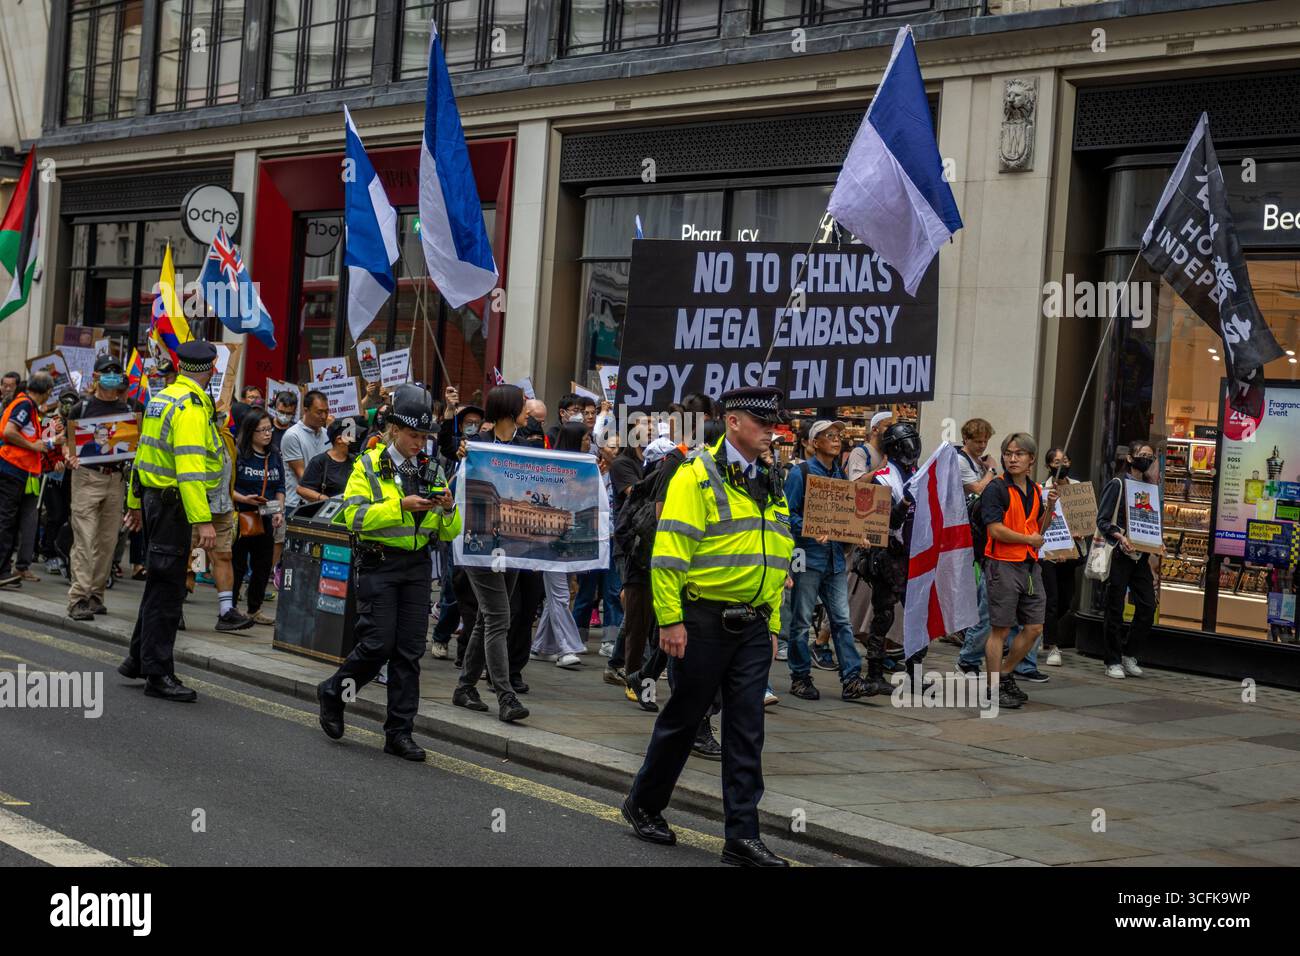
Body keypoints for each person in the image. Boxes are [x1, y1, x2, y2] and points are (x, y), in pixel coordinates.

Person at [623, 386, 794, 867]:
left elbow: (777, 554)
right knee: (683, 719)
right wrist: (671, 620)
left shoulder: (772, 479)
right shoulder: (696, 474)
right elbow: (669, 553)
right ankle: (644, 802)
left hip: (754, 625)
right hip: (702, 620)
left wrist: (774, 622)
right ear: (735, 422)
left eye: (774, 425)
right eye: (764, 424)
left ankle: (742, 836)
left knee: (747, 730)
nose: (772, 433)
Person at [316, 385, 462, 760]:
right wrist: (400, 506)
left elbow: (449, 530)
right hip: (379, 563)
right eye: (413, 435)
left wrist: (446, 509)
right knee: (378, 644)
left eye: (424, 436)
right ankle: (334, 692)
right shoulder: (367, 465)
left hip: (416, 568)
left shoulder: (432, 468)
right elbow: (353, 516)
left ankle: (399, 732)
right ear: (394, 429)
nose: (419, 443)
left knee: (409, 652)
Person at [118, 342, 225, 702]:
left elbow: (142, 455)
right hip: (173, 506)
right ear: (210, 369)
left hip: (153, 501)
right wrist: (204, 521)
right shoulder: (191, 408)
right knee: (168, 590)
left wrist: (134, 502)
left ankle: (138, 658)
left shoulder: (163, 397)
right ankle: (158, 673)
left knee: (159, 584)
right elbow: (191, 470)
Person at [452, 384, 531, 722]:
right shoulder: (476, 447)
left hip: (512, 544)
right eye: (524, 404)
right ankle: (505, 696)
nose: (528, 410)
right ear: (510, 410)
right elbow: (457, 488)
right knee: (500, 616)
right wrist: (461, 458)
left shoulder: (528, 447)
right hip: (479, 543)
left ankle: (465, 686)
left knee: (488, 617)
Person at [783, 420, 871, 701]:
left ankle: (851, 678)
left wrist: (859, 534)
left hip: (834, 560)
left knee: (842, 621)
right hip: (807, 558)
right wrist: (810, 527)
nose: (836, 440)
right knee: (800, 620)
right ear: (814, 442)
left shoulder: (840, 476)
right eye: (828, 436)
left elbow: (845, 517)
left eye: (838, 436)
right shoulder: (801, 473)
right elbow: (787, 514)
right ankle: (800, 677)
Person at [981, 432, 1056, 708]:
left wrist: (1050, 508)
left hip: (1028, 565)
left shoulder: (1036, 490)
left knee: (1035, 627)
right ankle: (993, 688)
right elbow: (995, 529)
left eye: (1019, 454)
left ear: (1031, 460)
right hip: (1003, 564)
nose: (1012, 459)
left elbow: (1039, 528)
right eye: (1008, 454)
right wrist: (1029, 540)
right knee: (999, 629)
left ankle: (1004, 672)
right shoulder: (996, 488)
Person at [64, 355, 136, 620]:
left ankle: (96, 594)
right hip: (87, 478)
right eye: (107, 372)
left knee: (107, 541)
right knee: (84, 538)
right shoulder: (80, 409)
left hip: (116, 480)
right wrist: (69, 455)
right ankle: (78, 598)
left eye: (116, 372)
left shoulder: (129, 409)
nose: (112, 376)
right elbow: (67, 443)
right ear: (95, 377)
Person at [862, 421, 923, 694]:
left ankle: (915, 674)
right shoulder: (881, 478)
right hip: (889, 554)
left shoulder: (920, 474)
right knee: (884, 614)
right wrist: (905, 503)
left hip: (916, 553)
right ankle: (874, 673)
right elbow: (883, 523)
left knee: (917, 614)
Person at [530, 420, 592, 669]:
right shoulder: (553, 469)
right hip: (550, 540)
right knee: (560, 594)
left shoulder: (583, 468)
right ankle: (567, 646)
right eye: (586, 437)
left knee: (558, 594)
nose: (590, 441)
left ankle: (541, 646)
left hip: (568, 539)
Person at [1097, 442, 1158, 680]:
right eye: (1142, 455)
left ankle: (1129, 653)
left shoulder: (1149, 488)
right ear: (1131, 458)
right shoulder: (1118, 484)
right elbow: (1102, 521)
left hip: (1140, 557)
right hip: (1120, 555)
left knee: (1147, 606)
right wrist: (1120, 536)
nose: (1147, 459)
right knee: (1115, 608)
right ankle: (1112, 659)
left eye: (1150, 457)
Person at [0, 372, 58, 589]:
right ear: (44, 392)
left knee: (8, 522)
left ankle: (4, 570)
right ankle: (2, 571)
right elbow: (9, 432)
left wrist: (49, 443)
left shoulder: (27, 405)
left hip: (16, 469)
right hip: (11, 468)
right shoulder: (25, 405)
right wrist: (34, 446)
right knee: (6, 522)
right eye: (49, 393)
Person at [231, 412, 285, 626]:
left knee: (263, 565)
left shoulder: (274, 455)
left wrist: (279, 510)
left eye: (269, 429)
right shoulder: (239, 455)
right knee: (237, 565)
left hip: (266, 517)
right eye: (262, 430)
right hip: (241, 516)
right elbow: (228, 486)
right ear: (250, 431)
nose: (267, 434)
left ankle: (254, 608)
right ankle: (231, 607)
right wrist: (245, 498)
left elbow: (279, 485)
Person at [1038, 446, 1085, 668]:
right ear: (1048, 466)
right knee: (1052, 599)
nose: (1062, 465)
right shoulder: (1041, 490)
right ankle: (1052, 645)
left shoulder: (1077, 489)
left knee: (1067, 599)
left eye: (1065, 460)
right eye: (1056, 462)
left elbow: (1087, 520)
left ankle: (1041, 629)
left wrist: (1081, 531)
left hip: (1072, 551)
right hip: (1050, 553)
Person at [281, 390, 331, 513]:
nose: (324, 416)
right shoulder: (292, 435)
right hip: (297, 504)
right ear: (306, 410)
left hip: (321, 502)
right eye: (319, 412)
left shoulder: (327, 433)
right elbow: (303, 476)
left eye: (326, 411)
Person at [298, 418, 355, 502]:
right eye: (351, 435)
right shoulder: (319, 462)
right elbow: (301, 489)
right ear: (339, 439)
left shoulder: (356, 460)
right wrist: (324, 499)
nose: (355, 438)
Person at [846, 410, 893, 481]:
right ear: (874, 430)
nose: (893, 430)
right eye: (888, 426)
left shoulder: (889, 454)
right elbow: (856, 483)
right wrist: (881, 468)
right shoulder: (860, 452)